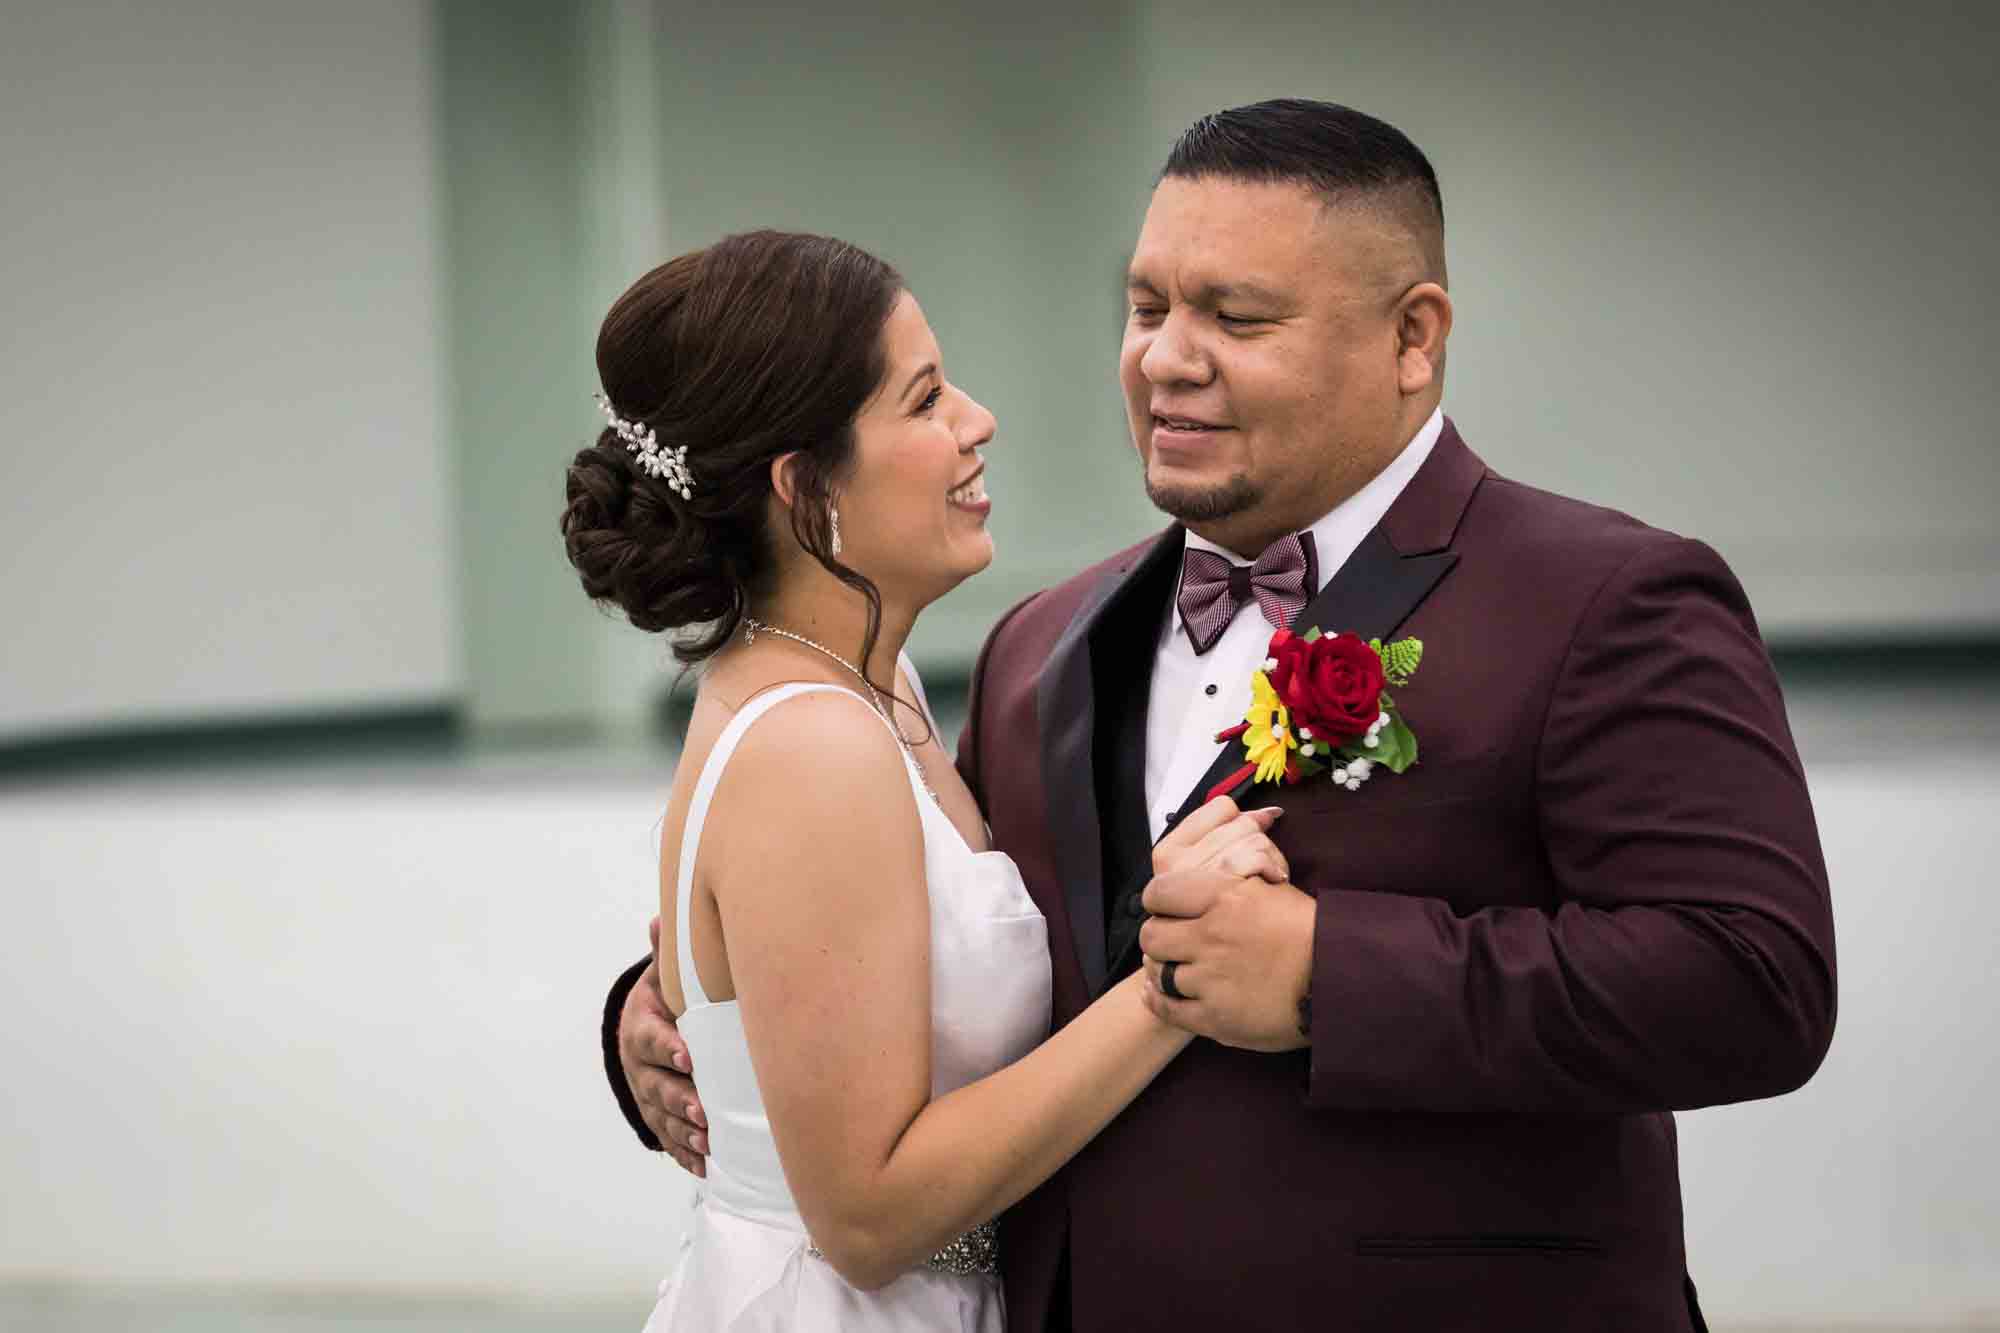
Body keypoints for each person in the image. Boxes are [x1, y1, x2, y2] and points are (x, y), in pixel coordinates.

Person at [604, 103, 1836, 1332]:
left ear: (1413, 338)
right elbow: (934, 945)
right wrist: (667, 1024)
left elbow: (1754, 980)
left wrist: (1328, 975)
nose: (1163, 359)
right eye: (1146, 310)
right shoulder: (1042, 643)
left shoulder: (1601, 599)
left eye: (1234, 318)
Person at [562, 230, 1290, 1331]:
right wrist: (1166, 985)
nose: (975, 419)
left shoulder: (869, 680)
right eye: (924, 399)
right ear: (805, 487)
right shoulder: (813, 742)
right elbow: (867, 1215)